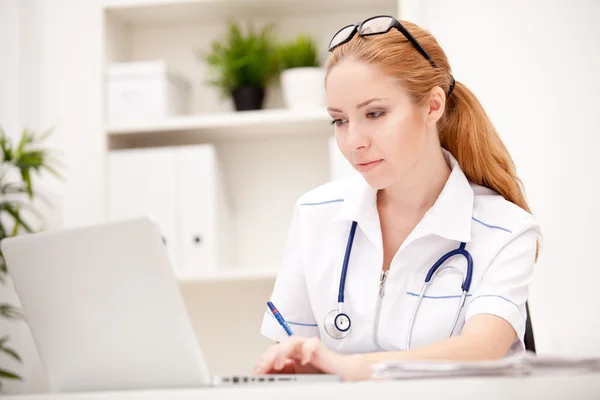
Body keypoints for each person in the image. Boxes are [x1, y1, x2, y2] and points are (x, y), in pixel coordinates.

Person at [254, 16, 541, 382]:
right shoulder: (315, 214)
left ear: (433, 106)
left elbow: (482, 350)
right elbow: (295, 354)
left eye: (374, 113)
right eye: (339, 120)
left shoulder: (506, 229)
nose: (353, 141)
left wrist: (352, 368)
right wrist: (293, 363)